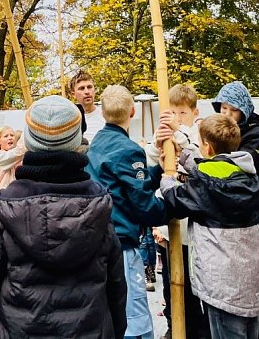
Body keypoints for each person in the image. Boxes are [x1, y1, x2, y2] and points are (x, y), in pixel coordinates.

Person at [0, 95, 127, 338]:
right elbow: (116, 289)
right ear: (76, 141)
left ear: (30, 142)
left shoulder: (6, 212)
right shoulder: (99, 210)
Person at [159, 114, 259, 339]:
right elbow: (209, 170)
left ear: (206, 147)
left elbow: (178, 199)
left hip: (222, 287)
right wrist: (186, 155)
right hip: (249, 285)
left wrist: (167, 182)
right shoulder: (245, 172)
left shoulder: (207, 185)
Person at [88, 85, 168, 339]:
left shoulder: (96, 144)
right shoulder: (129, 149)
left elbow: (130, 186)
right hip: (121, 241)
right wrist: (174, 202)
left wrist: (156, 172)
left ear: (103, 113)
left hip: (98, 239)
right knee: (133, 314)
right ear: (133, 111)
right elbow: (145, 206)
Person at [212, 81, 259, 338]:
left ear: (244, 110)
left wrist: (204, 161)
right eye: (223, 108)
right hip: (234, 218)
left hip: (255, 216)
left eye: (233, 110)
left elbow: (240, 165)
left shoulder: (257, 133)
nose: (227, 115)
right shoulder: (222, 129)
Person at [149, 83, 209, 339]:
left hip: (194, 229)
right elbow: (152, 160)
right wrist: (158, 142)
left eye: (182, 113)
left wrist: (179, 132)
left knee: (195, 286)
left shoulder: (199, 135)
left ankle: (198, 330)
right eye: (172, 112)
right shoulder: (164, 133)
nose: (177, 118)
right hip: (171, 224)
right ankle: (175, 326)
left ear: (194, 112)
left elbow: (201, 164)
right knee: (170, 285)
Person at [69, 69, 104, 141]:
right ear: (73, 94)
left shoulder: (107, 115)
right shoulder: (69, 119)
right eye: (81, 88)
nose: (87, 92)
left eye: (89, 87)